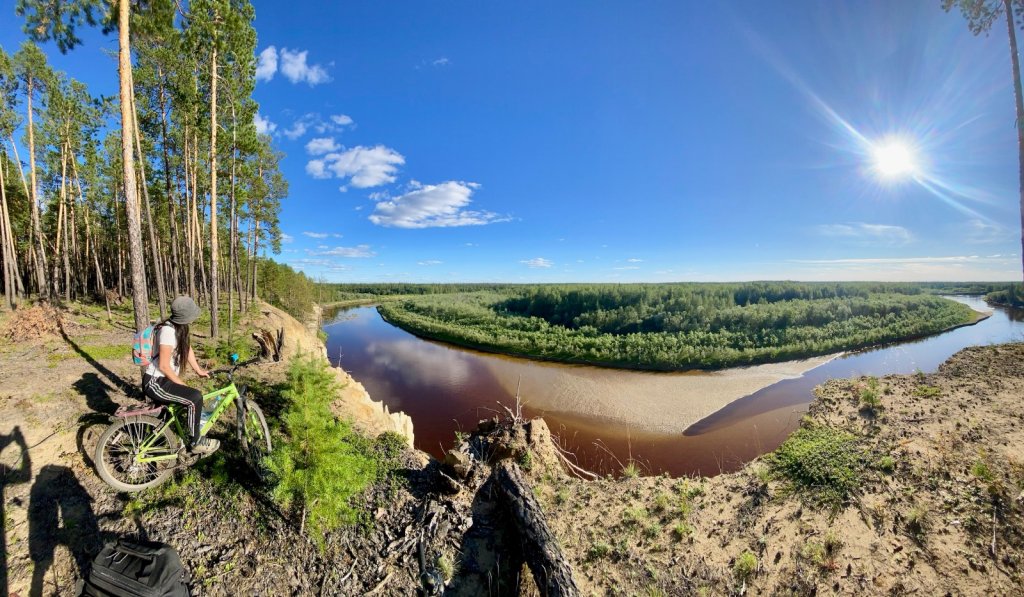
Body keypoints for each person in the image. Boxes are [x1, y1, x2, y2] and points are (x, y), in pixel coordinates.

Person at [142, 296, 218, 455]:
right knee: (195, 397)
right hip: (156, 382)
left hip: (163, 380)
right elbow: (163, 365)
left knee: (164, 417)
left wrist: (198, 370)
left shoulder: (179, 327)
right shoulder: (167, 331)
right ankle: (196, 441)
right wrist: (181, 383)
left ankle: (155, 444)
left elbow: (187, 348)